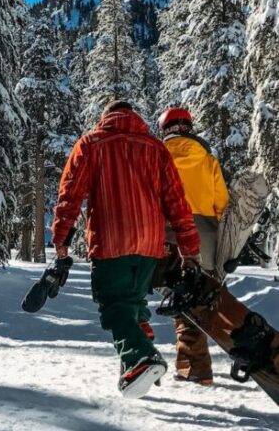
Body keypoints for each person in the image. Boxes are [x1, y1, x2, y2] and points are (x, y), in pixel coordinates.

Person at [51, 101, 202, 398]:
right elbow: (177, 202)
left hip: (111, 240)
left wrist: (61, 239)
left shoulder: (92, 143)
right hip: (149, 244)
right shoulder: (156, 148)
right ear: (134, 118)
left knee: (114, 306)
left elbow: (71, 194)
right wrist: (189, 248)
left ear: (105, 117)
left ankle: (140, 359)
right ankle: (136, 360)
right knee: (131, 301)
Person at [157, 107, 229, 386]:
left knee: (182, 298)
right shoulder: (208, 160)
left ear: (165, 129)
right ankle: (192, 364)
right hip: (206, 236)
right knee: (200, 297)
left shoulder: (158, 157)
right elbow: (221, 204)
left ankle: (197, 368)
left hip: (171, 233)